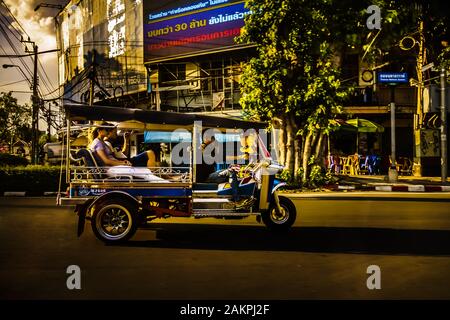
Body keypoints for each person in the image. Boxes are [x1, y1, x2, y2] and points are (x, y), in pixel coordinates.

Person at [89, 122, 155, 167]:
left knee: (150, 155)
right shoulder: (106, 143)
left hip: (123, 160)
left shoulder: (106, 143)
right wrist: (123, 163)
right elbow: (110, 160)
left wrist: (126, 140)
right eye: (115, 132)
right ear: (110, 132)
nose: (116, 134)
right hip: (121, 162)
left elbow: (123, 154)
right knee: (150, 153)